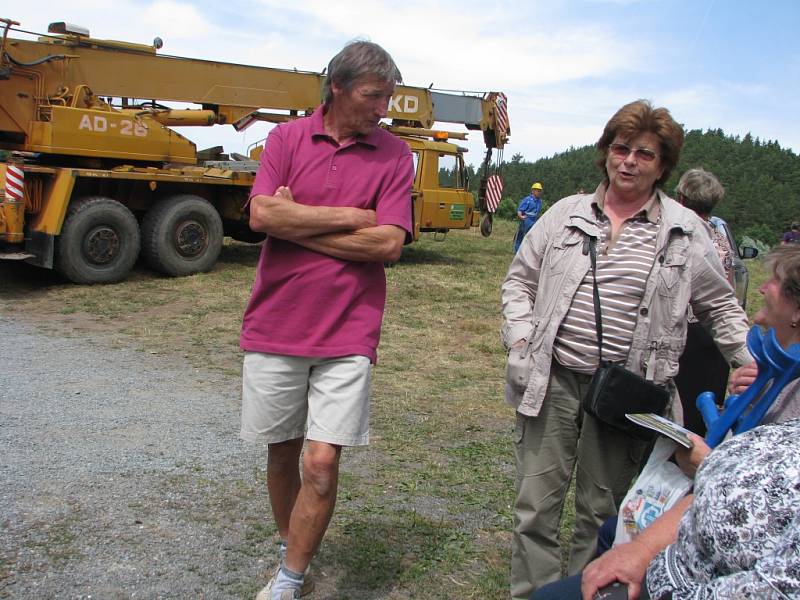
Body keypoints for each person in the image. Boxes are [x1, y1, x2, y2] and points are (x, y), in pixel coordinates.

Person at [500, 99, 752, 599]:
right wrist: (523, 338)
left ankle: (580, 591)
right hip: (552, 381)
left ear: (663, 166)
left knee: (601, 512)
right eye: (620, 148)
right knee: (535, 506)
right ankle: (532, 594)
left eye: (645, 154)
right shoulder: (564, 214)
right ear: (606, 153)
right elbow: (518, 283)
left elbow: (721, 307)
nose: (629, 161)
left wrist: (749, 364)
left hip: (626, 397)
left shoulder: (684, 229)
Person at [239, 41, 413, 600]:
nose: (383, 107)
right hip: (276, 322)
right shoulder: (286, 139)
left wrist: (297, 223)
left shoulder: (394, 155)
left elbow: (387, 244)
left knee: (320, 460)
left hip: (348, 330)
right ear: (336, 87)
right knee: (282, 450)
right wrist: (347, 218)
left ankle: (290, 577)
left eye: (387, 96)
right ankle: (295, 552)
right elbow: (262, 213)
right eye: (372, 95)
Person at [534, 244, 800, 600]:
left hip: (700, 569)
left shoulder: (683, 231)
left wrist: (708, 464)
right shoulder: (778, 374)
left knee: (598, 518)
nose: (763, 289)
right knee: (607, 532)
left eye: (775, 282)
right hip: (692, 533)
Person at [531, 419, 800, 600]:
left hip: (679, 587)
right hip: (666, 561)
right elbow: (706, 495)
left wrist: (665, 587)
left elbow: (778, 589)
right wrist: (642, 550)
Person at [673, 168, 734, 435]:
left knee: (673, 412)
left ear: (681, 199)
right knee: (701, 414)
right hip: (714, 336)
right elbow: (726, 291)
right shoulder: (721, 240)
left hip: (681, 333)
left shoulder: (678, 235)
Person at [513, 182, 543, 252]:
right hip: (526, 219)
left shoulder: (540, 201)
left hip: (534, 220)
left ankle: (527, 251)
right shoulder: (528, 200)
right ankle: (517, 251)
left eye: (540, 191)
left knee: (531, 237)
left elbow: (537, 212)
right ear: (533, 191)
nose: (539, 192)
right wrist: (520, 216)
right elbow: (520, 210)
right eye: (537, 190)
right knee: (521, 236)